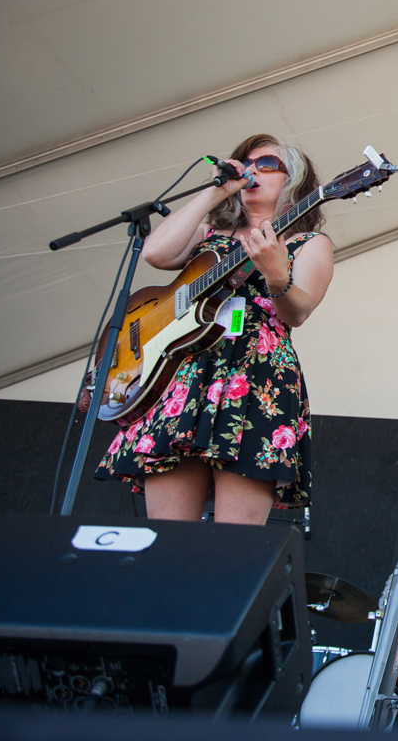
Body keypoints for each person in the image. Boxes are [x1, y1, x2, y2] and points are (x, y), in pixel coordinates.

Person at [96, 134, 334, 524]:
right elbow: (157, 253)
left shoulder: (308, 243)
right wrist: (216, 191)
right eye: (246, 162)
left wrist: (276, 275)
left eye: (266, 164)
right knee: (168, 539)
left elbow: (297, 312)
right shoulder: (211, 235)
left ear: (294, 181)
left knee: (231, 544)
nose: (252, 169)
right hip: (182, 377)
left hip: (255, 378)